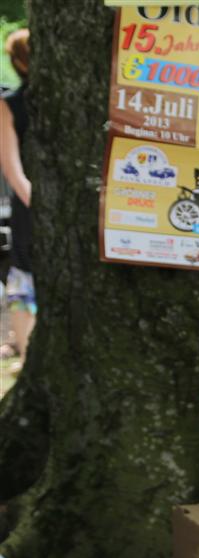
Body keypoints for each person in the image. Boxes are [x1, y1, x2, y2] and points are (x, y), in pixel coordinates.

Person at [0, 28, 33, 370]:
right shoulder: (10, 105)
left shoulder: (9, 105)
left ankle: (25, 353)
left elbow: (12, 169)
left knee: (24, 276)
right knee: (25, 274)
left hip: (30, 206)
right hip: (33, 206)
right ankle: (25, 354)